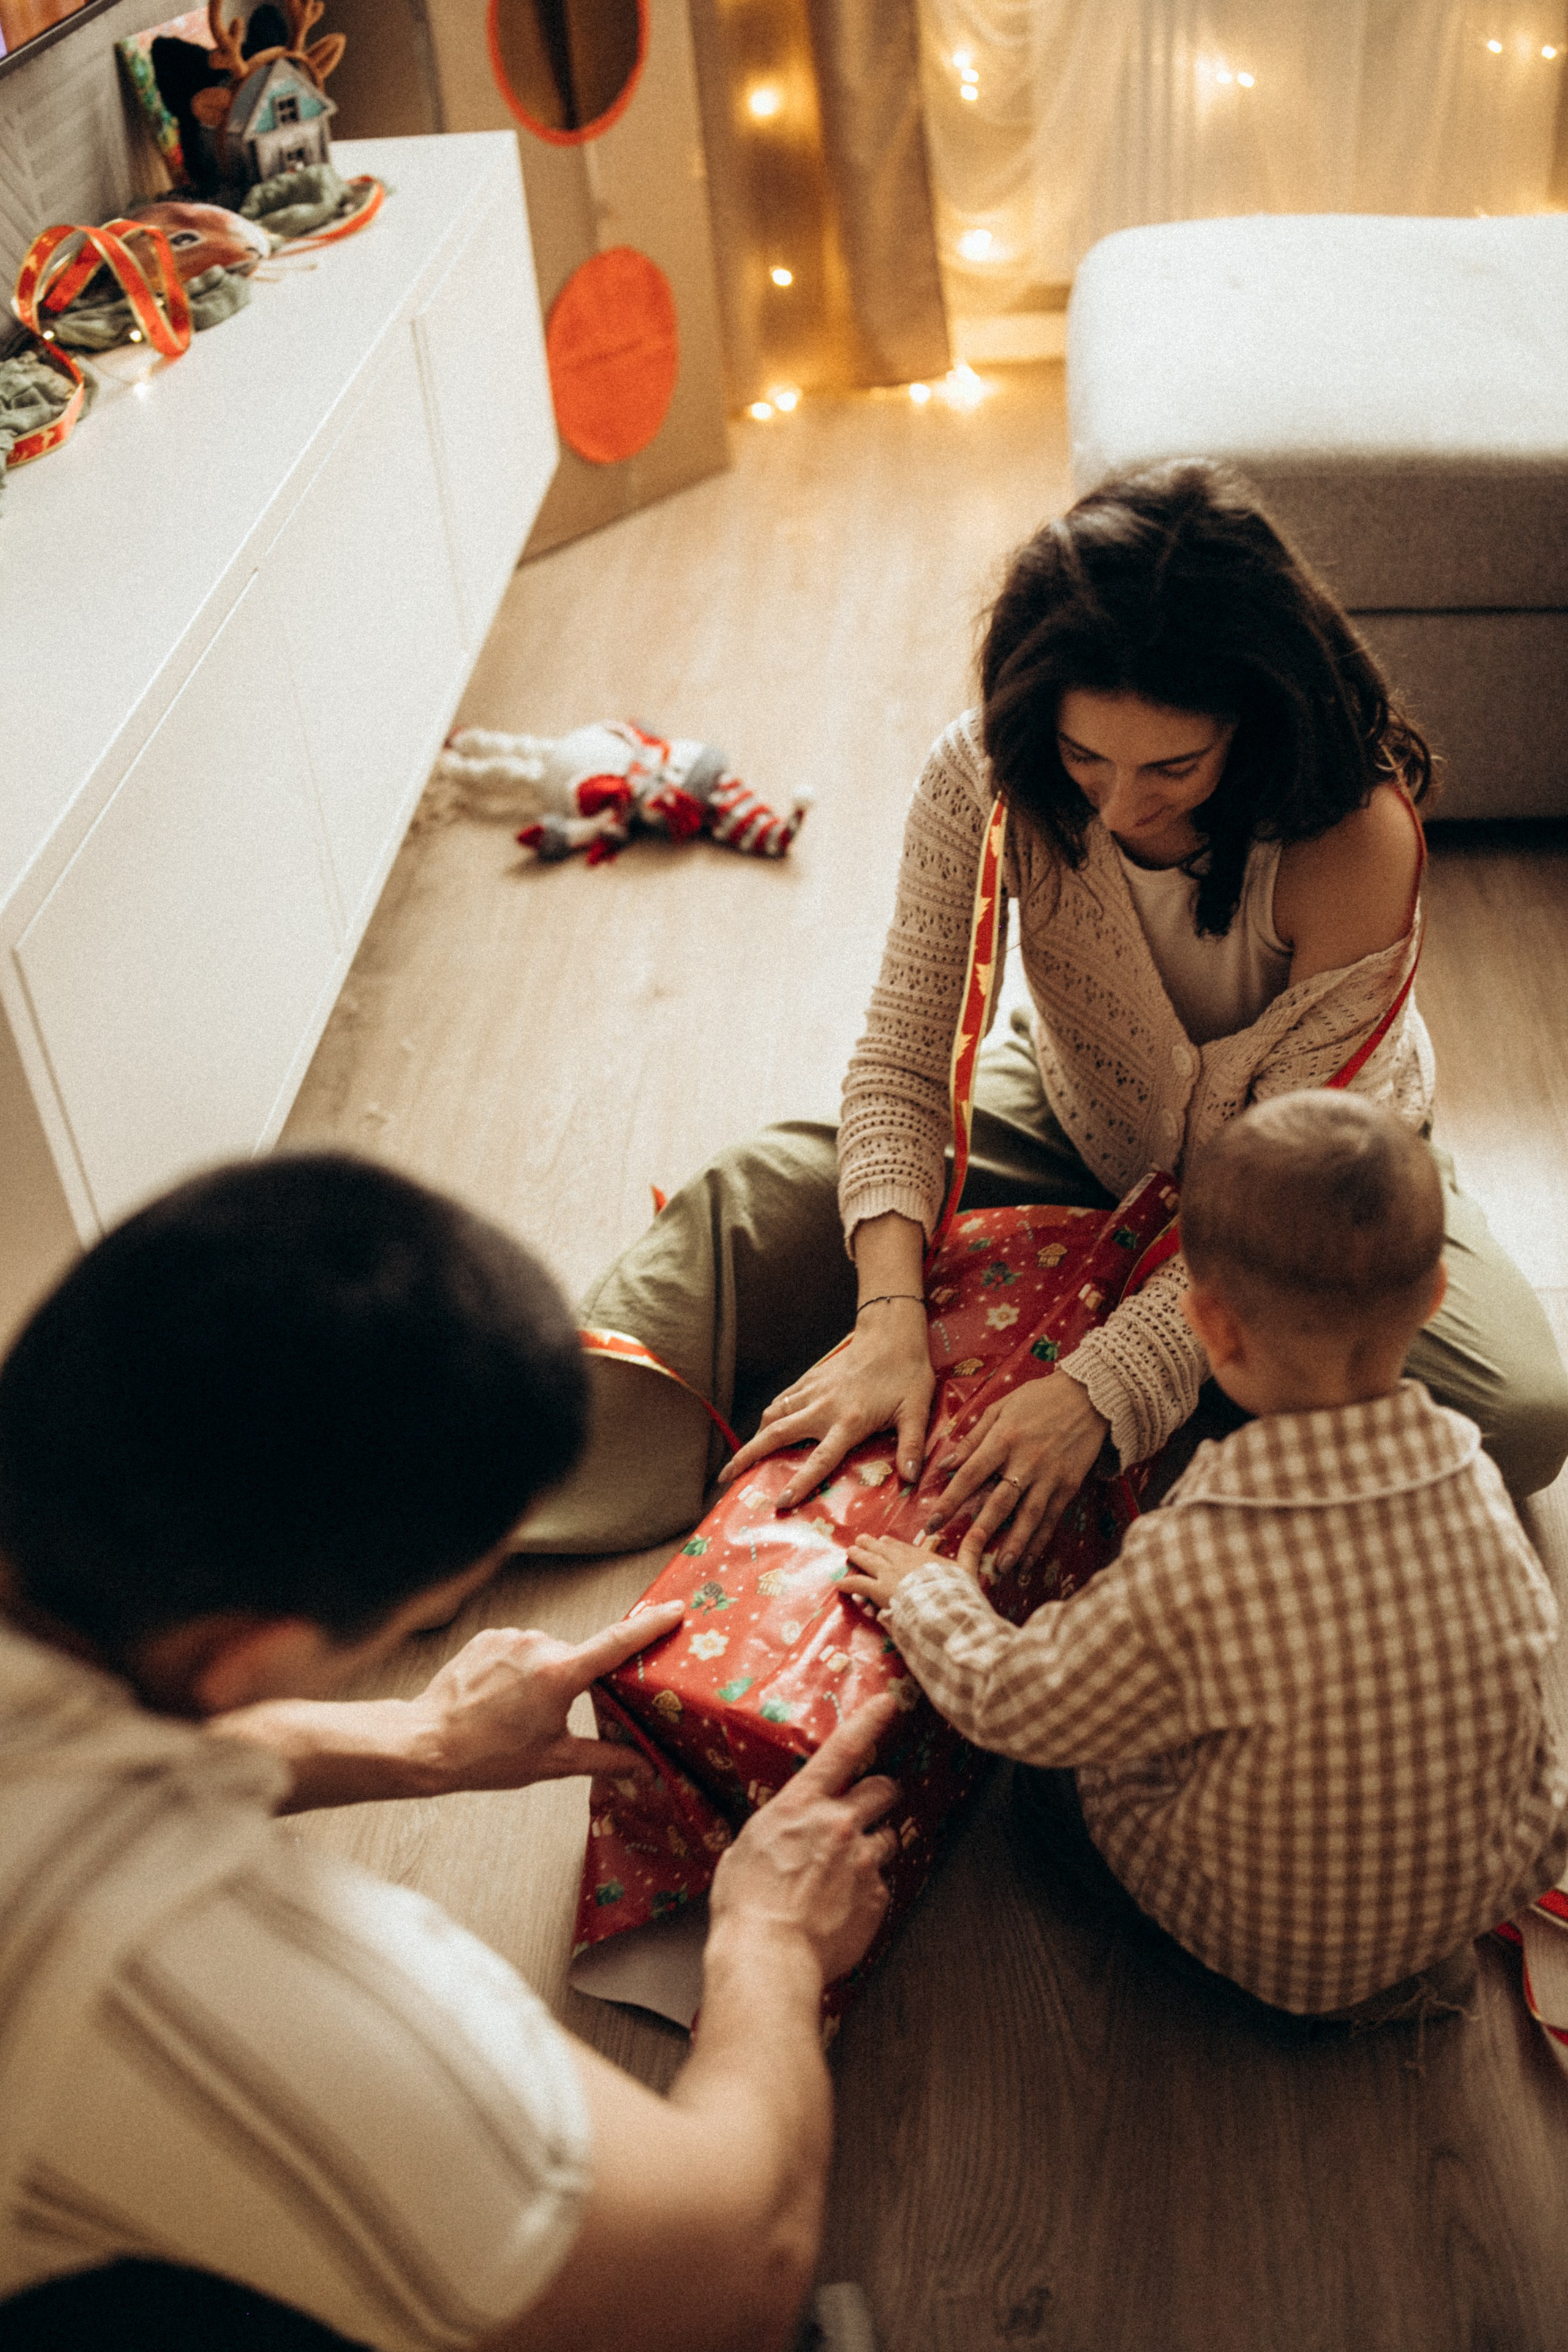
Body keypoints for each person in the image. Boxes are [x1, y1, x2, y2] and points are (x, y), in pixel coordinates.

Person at [516, 461, 1568, 1562]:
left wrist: (1101, 1393)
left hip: (1313, 1186)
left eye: (1172, 764)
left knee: (1516, 1411)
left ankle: (1162, 1445)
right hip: (1082, 1115)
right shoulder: (985, 771)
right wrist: (888, 1321)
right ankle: (494, 1493)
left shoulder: (1355, 834)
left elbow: (1274, 1209)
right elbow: (905, 1063)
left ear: (1256, 718)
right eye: (1084, 757)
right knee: (756, 1199)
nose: (1120, 803)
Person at [0, 1153, 899, 2352]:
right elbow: (732, 2274)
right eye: (435, 1604)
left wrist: (410, 1739)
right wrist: (769, 1949)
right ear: (244, 1653)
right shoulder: (184, 1968)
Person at [840, 1092, 1568, 2024]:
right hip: (1471, 1889)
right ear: (1434, 1299)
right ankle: (1411, 1957)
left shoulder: (1200, 1552)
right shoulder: (1479, 1489)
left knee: (1046, 1796)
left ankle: (1292, 1985)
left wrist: (930, 1594)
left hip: (1286, 1959)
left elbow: (1018, 1700)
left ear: (1212, 1329)